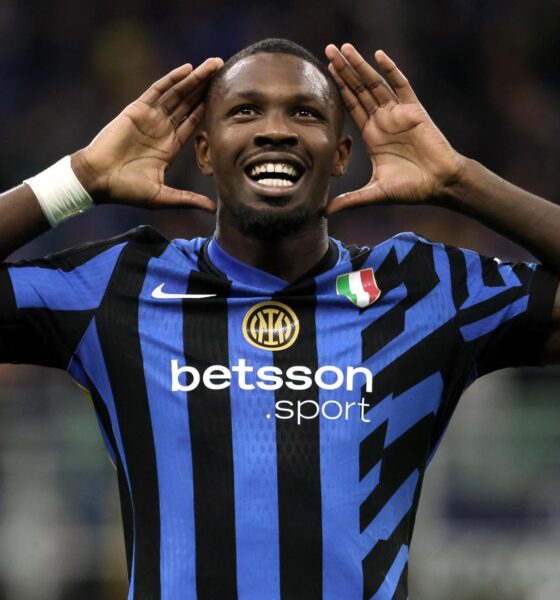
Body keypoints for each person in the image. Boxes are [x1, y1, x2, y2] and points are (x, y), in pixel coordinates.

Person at [0, 37, 558, 599]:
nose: (275, 130)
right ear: (204, 151)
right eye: (244, 111)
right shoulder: (120, 286)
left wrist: (460, 181)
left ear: (341, 156)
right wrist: (79, 179)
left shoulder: (424, 289)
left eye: (305, 113)